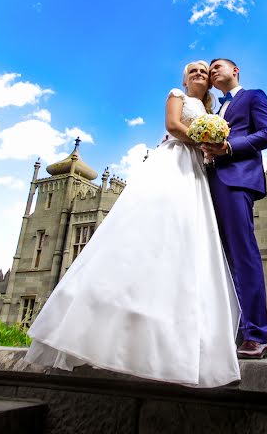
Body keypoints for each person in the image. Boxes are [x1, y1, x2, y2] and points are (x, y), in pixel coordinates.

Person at [24, 60, 241, 388]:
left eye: (202, 71)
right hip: (173, 164)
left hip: (196, 172)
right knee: (152, 229)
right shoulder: (176, 96)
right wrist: (201, 139)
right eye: (192, 71)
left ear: (209, 82)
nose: (198, 74)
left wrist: (213, 147)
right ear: (184, 80)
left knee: (187, 240)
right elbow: (172, 126)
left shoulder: (212, 110)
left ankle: (174, 340)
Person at [202, 58, 267, 360]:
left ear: (235, 71)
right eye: (210, 70)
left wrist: (230, 147)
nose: (212, 71)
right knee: (215, 258)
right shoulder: (212, 111)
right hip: (208, 182)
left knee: (242, 253)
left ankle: (256, 334)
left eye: (217, 66)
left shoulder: (253, 96)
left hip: (235, 180)